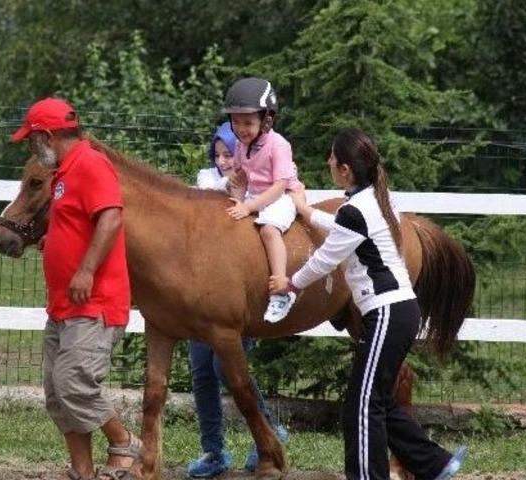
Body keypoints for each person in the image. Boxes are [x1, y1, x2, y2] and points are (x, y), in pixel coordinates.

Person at [269, 129, 468, 480]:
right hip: (399, 312)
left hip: (387, 314)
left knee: (360, 407)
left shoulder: (357, 209)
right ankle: (435, 463)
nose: (328, 162)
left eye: (332, 158)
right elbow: (342, 228)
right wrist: (305, 211)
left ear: (344, 170)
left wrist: (290, 283)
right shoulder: (377, 199)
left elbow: (325, 260)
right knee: (379, 401)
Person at [11, 97, 141, 480]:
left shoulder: (90, 163)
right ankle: (82, 471)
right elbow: (77, 222)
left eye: (33, 141)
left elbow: (111, 217)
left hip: (94, 301)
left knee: (74, 383)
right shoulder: (65, 171)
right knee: (57, 391)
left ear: (47, 136)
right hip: (64, 304)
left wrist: (85, 269)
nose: (33, 149)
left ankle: (124, 443)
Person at [186, 121, 288, 478]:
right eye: (218, 154)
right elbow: (206, 199)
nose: (223, 160)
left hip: (233, 295)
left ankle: (268, 431)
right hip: (200, 294)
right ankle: (213, 452)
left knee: (223, 367)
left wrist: (243, 191)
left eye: (229, 153)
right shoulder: (206, 181)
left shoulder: (252, 188)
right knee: (201, 371)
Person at [222, 77, 304, 323]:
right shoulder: (240, 144)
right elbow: (240, 178)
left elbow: (279, 186)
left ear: (266, 120)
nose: (241, 128)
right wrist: (236, 200)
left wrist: (248, 207)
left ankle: (281, 289)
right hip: (256, 196)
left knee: (269, 230)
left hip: (284, 196)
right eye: (236, 122)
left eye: (248, 122)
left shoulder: (279, 145)